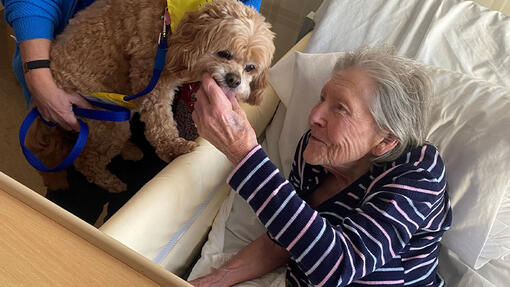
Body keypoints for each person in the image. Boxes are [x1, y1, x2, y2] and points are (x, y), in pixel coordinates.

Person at [189, 47, 452, 286]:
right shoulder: (315, 151)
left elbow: (338, 266)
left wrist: (244, 153)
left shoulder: (417, 175)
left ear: (385, 140)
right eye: (322, 98)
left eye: (340, 108)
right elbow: (287, 236)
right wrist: (211, 282)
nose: (314, 116)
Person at [2, 0, 262, 224]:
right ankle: (92, 167)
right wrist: (39, 77)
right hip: (85, 85)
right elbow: (150, 85)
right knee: (73, 204)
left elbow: (243, 24)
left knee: (138, 205)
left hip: (165, 87)